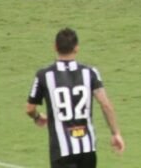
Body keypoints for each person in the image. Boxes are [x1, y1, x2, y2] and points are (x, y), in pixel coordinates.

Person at [27, 28, 124, 166]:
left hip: (61, 151)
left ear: (55, 47)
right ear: (76, 48)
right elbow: (105, 105)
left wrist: (37, 117)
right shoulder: (90, 73)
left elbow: (30, 109)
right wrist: (116, 133)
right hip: (87, 150)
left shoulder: (44, 75)